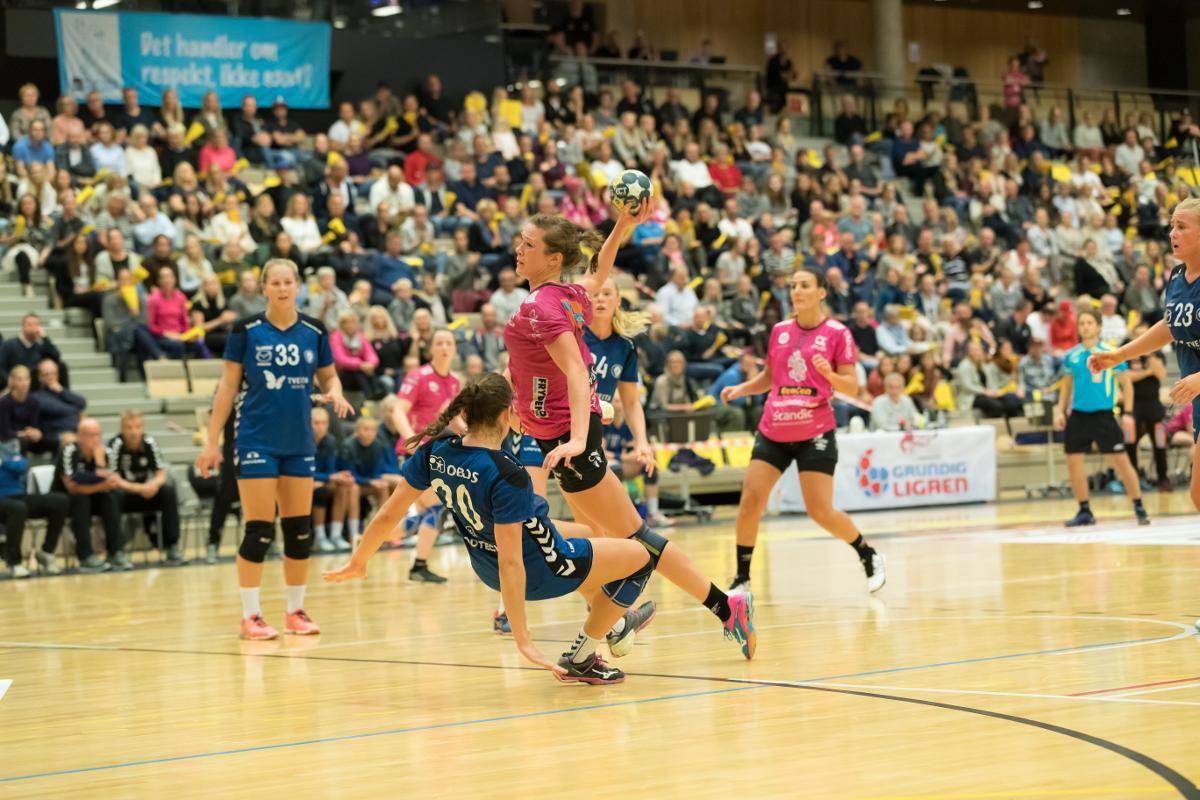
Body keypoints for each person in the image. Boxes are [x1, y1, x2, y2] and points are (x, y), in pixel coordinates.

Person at [504, 207, 757, 659]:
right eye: (520, 241)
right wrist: (623, 224)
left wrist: (576, 438)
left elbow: (576, 371)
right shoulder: (563, 294)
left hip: (567, 440)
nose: (518, 249)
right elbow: (600, 271)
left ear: (554, 258)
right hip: (555, 436)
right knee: (605, 538)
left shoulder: (544, 306)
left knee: (635, 540)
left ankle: (720, 606)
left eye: (529, 244)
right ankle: (622, 621)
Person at [324, 374, 691, 683]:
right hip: (541, 569)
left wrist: (359, 560)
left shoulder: (435, 451)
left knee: (585, 534)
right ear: (507, 414)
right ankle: (582, 656)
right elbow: (513, 562)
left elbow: (387, 516)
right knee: (643, 557)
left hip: (486, 567)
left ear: (464, 412)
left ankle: (615, 622)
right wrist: (523, 639)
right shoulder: (506, 472)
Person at [195, 258, 353, 641]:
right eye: (275, 283)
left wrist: (335, 392)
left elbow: (329, 376)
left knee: (298, 531)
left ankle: (295, 611)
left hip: (298, 441)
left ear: (298, 286)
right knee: (259, 530)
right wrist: (212, 441)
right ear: (264, 287)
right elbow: (227, 388)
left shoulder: (314, 330)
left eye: (288, 282)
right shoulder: (246, 330)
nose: (282, 288)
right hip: (256, 440)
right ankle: (250, 616)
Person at [719, 268, 885, 594]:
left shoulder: (837, 333)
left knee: (821, 512)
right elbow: (771, 377)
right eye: (793, 286)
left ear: (821, 292)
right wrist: (741, 389)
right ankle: (742, 577)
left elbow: (851, 386)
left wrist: (829, 375)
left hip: (815, 432)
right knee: (750, 501)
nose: (796, 291)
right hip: (774, 429)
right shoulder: (780, 330)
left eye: (804, 285)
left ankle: (867, 554)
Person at [1091, 199, 1200, 544]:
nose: (1172, 234)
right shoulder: (1178, 277)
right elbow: (1170, 325)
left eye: (1182, 226)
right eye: (1172, 225)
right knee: (1198, 493)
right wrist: (1119, 354)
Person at [1054, 308, 1147, 528]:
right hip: (1078, 415)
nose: (1085, 327)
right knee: (1073, 462)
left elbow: (1127, 385)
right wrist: (1059, 410)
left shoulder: (1110, 353)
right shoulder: (1071, 355)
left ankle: (1139, 506)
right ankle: (1084, 510)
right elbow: (1066, 387)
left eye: (1089, 323)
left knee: (1121, 461)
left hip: (1104, 415)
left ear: (1098, 327)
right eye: (1082, 323)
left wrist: (1128, 414)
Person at [583, 277, 663, 524]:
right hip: (567, 428)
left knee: (596, 519)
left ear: (617, 300)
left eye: (607, 294)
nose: (600, 299)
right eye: (595, 294)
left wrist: (642, 441)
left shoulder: (625, 346)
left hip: (595, 431)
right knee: (598, 516)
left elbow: (630, 402)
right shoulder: (574, 337)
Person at [392, 329, 460, 583]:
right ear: (430, 348)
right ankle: (417, 565)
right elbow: (398, 410)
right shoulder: (418, 376)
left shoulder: (454, 382)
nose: (444, 347)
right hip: (413, 454)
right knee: (436, 508)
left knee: (427, 514)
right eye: (439, 343)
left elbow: (454, 420)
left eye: (449, 343)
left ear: (454, 348)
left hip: (436, 456)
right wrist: (412, 441)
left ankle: (368, 540)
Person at [108, 409, 183, 564]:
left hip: (145, 494)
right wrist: (140, 488)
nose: (134, 432)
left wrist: (152, 485)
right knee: (112, 496)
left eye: (137, 427)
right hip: (125, 496)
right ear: (122, 428)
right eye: (129, 427)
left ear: (143, 427)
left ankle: (172, 545)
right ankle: (116, 550)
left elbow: (161, 474)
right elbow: (113, 479)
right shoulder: (116, 444)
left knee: (167, 490)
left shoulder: (149, 442)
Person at [56, 418, 128, 572]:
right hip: (66, 500)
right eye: (91, 435)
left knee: (110, 498)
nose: (96, 439)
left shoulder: (106, 452)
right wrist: (100, 481)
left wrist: (100, 463)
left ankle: (115, 551)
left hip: (93, 497)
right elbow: (72, 487)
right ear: (80, 436)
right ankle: (85, 556)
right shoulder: (70, 451)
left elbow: (112, 481)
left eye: (98, 434)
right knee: (81, 499)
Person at [0, 437, 67, 578]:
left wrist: (4, 462)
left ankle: (46, 552)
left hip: (18, 495)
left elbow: (22, 466)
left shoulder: (11, 445)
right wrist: (11, 463)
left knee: (59, 501)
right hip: (5, 501)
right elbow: (17, 466)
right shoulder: (10, 452)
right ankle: (14, 562)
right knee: (17, 509)